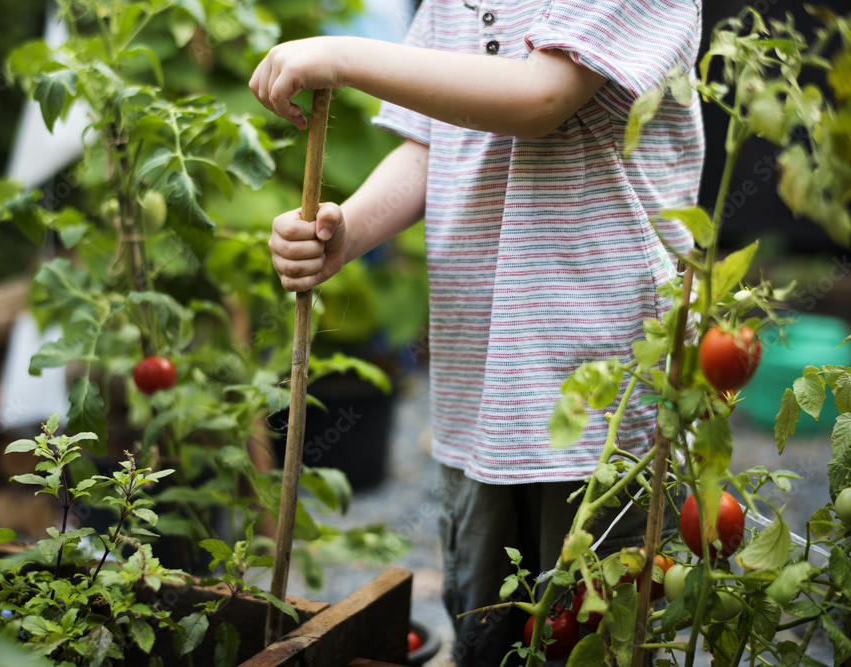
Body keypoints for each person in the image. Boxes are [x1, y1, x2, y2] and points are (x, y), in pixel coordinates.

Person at [249, 1, 704, 664]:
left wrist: (343, 57)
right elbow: (433, 139)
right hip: (482, 381)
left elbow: (541, 95)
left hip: (603, 386)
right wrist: (345, 233)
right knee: (484, 620)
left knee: (599, 621)